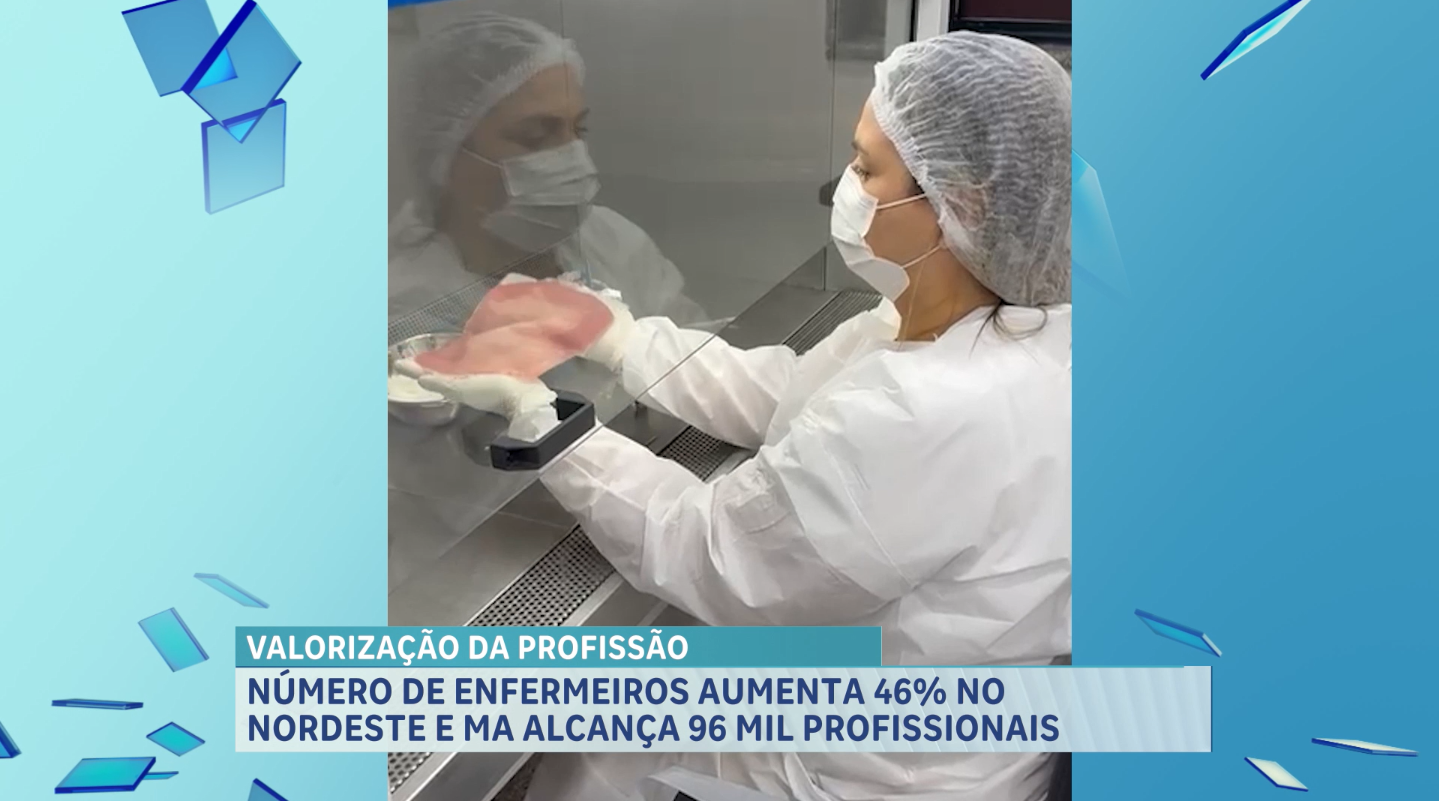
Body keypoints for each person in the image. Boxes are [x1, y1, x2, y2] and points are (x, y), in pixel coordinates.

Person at [408, 30, 1072, 801]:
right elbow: (792, 394)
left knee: (595, 761)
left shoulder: (931, 409)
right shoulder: (1000, 323)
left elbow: (714, 557)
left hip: (877, 772)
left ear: (962, 202)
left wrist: (541, 418)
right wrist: (621, 337)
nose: (844, 189)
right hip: (953, 720)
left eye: (865, 169)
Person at [389, 11, 711, 328]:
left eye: (579, 130)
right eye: (536, 136)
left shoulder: (609, 239)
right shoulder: (407, 307)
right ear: (446, 155)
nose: (574, 158)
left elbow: (694, 340)